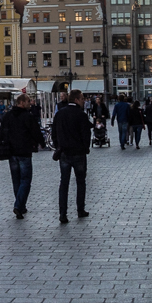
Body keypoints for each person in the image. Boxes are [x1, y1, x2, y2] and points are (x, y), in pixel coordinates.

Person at [0, 94, 44, 219]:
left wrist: (0, 145)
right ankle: (18, 205)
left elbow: (1, 132)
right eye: (28, 101)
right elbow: (36, 131)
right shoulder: (27, 116)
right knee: (26, 180)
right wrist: (41, 143)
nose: (30, 103)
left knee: (16, 180)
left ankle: (21, 206)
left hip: (11, 152)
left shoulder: (8, 116)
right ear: (22, 102)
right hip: (24, 152)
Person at [51, 89, 92, 223]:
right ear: (76, 100)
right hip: (78, 153)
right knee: (80, 182)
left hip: (64, 153)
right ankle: (80, 209)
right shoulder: (81, 115)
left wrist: (58, 146)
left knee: (64, 183)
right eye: (82, 99)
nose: (83, 101)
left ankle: (63, 213)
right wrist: (85, 148)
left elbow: (54, 133)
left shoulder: (60, 114)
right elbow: (86, 134)